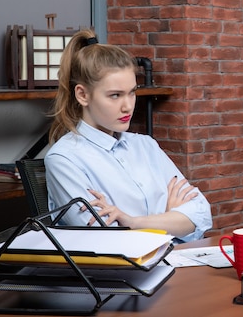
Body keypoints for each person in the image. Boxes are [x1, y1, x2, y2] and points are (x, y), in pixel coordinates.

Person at [45, 29, 212, 241]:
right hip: (119, 273)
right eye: (115, 95)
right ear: (83, 95)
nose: (128, 106)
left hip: (174, 263)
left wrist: (132, 221)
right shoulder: (64, 159)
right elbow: (107, 239)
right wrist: (169, 219)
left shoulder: (146, 146)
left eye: (132, 92)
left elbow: (201, 215)